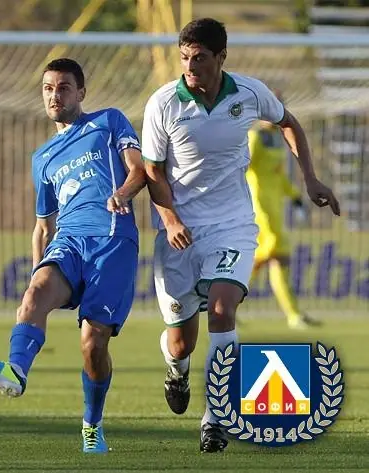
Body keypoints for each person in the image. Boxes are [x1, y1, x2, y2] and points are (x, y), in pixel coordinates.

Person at [141, 18, 340, 453]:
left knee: (221, 309)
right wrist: (170, 220)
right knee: (180, 341)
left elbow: (289, 123)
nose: (190, 66)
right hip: (180, 232)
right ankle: (176, 369)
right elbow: (152, 171)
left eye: (199, 58)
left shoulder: (249, 93)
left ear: (221, 58)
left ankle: (216, 417)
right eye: (184, 58)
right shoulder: (163, 103)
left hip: (233, 225)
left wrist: (309, 179)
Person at [0, 58, 147, 453]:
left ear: (81, 92)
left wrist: (122, 194)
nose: (54, 95)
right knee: (33, 297)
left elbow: (139, 170)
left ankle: (92, 425)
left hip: (112, 239)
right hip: (69, 240)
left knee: (92, 344)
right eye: (48, 88)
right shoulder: (42, 158)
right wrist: (36, 274)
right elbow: (43, 227)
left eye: (63, 87)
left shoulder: (108, 122)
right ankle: (15, 371)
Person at [246, 90, 320, 329]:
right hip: (259, 207)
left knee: (266, 259)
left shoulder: (277, 138)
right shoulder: (254, 137)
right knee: (277, 255)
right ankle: (293, 315)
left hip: (275, 207)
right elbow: (242, 168)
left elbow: (279, 176)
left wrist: (295, 197)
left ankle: (224, 304)